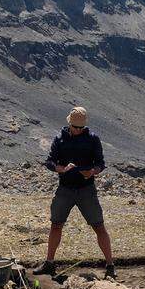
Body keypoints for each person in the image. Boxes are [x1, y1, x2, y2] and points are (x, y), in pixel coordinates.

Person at [33, 106, 116, 279]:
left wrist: (92, 171)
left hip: (86, 190)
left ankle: (110, 266)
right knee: (56, 224)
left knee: (99, 226)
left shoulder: (92, 139)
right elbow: (49, 162)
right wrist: (60, 169)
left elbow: (100, 163)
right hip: (65, 189)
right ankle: (49, 263)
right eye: (75, 127)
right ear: (69, 123)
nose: (78, 130)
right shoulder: (60, 139)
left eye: (81, 127)